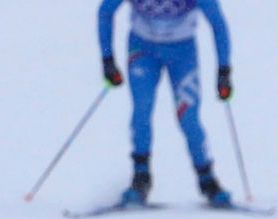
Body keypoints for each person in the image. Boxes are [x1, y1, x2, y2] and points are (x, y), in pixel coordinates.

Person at [97, 0, 235, 207]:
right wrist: (107, 59)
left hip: (182, 53)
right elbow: (105, 12)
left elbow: (218, 23)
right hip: (142, 50)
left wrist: (224, 71)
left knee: (188, 117)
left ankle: (207, 179)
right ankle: (140, 178)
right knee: (142, 110)